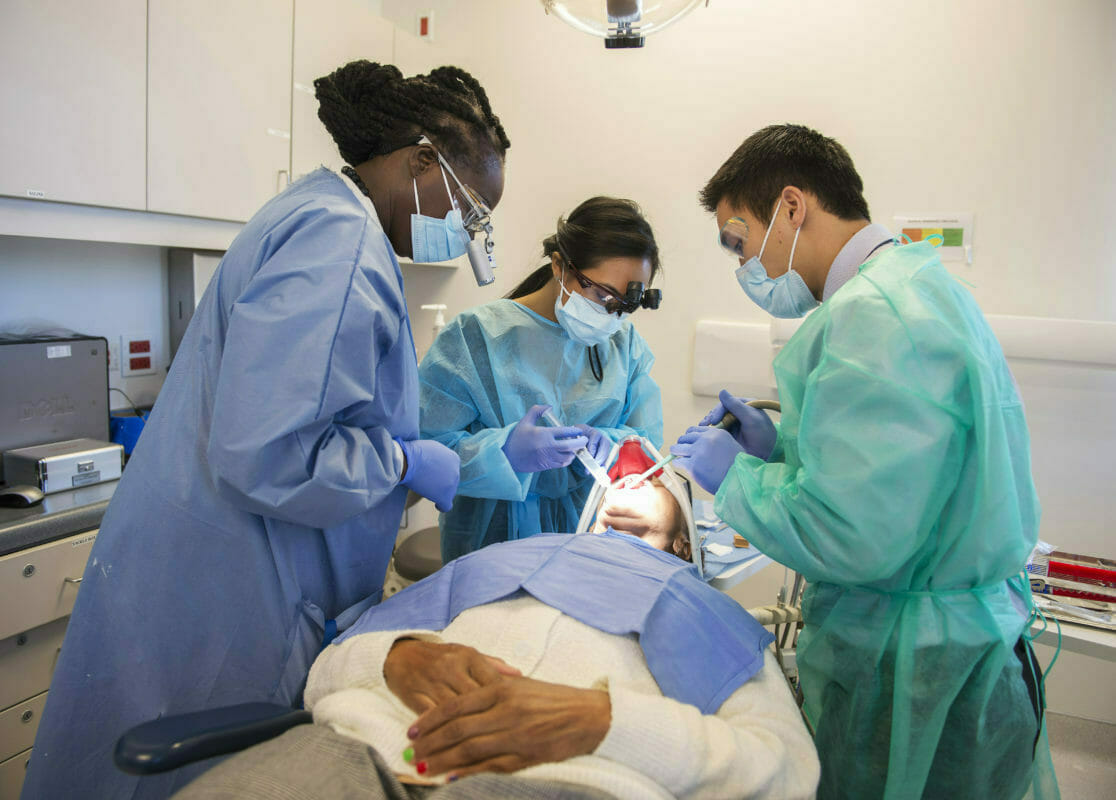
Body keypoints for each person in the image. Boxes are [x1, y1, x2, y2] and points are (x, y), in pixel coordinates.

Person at [22, 61, 510, 800]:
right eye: (472, 208)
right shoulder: (338, 241)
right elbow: (272, 455)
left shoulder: (320, 215)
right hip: (237, 584)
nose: (472, 232)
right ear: (419, 162)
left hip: (211, 563)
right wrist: (401, 462)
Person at [671, 124, 1057, 799]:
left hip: (915, 670)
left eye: (740, 243)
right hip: (965, 643)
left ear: (793, 207)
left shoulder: (871, 316)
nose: (743, 269)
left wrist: (731, 475)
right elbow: (904, 475)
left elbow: (851, 535)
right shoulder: (920, 287)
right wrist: (782, 447)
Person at [172, 466, 819, 800]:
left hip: (571, 784)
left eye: (652, 483)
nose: (631, 480)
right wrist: (396, 659)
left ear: (682, 544)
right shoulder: (501, 562)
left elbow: (786, 773)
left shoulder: (698, 607)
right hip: (361, 750)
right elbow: (328, 672)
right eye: (620, 479)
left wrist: (603, 723)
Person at [419, 197, 664, 560]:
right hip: (492, 550)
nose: (612, 318)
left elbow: (648, 446)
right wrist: (503, 453)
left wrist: (615, 447)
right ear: (559, 266)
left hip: (592, 546)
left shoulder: (624, 347)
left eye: (624, 308)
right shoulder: (476, 337)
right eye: (603, 296)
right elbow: (425, 451)